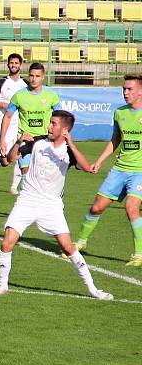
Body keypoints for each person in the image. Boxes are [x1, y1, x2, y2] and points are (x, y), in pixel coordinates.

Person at [0, 110, 112, 300]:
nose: (49, 126)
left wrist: (70, 143)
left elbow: (88, 169)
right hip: (27, 199)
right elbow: (9, 159)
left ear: (65, 129)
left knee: (67, 247)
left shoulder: (68, 152)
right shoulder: (38, 142)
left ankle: (93, 290)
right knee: (7, 242)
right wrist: (18, 141)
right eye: (50, 122)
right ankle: (2, 285)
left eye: (53, 124)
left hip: (51, 205)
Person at [74, 74, 142, 267]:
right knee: (97, 207)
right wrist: (100, 161)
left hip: (139, 171)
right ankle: (80, 242)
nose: (125, 92)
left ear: (140, 91)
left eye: (129, 89)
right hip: (119, 169)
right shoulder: (119, 113)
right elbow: (115, 140)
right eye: (124, 89)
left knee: (131, 207)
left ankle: (139, 254)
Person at [0, 62, 61, 177]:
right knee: (25, 174)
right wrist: (2, 139)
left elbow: (59, 118)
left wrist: (59, 137)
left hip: (45, 140)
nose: (34, 79)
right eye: (31, 76)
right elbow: (7, 116)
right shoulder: (19, 95)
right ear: (28, 76)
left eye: (37, 76)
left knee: (44, 175)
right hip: (25, 139)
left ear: (43, 77)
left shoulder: (51, 95)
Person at [0, 53, 27, 194]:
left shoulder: (25, 84)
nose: (14, 65)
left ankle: (14, 186)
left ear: (21, 65)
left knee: (20, 154)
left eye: (16, 63)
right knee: (5, 161)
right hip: (4, 121)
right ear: (8, 64)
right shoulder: (1, 83)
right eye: (11, 63)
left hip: (21, 122)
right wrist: (3, 104)